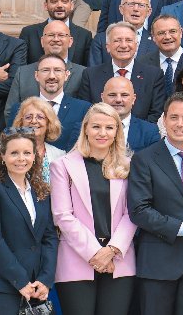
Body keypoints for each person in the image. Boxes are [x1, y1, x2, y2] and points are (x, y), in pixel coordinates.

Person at [127, 93, 183, 315]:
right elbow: (139, 210)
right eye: (174, 117)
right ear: (164, 120)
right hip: (158, 264)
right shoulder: (144, 159)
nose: (180, 124)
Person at [50, 103, 139, 315]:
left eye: (109, 127)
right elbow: (62, 216)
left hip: (119, 260)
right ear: (86, 129)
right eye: (96, 126)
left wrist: (111, 251)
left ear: (117, 131)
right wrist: (96, 253)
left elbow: (133, 212)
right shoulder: (62, 165)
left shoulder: (129, 166)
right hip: (75, 260)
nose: (102, 133)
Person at [0, 130, 58, 314]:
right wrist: (20, 280)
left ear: (34, 156)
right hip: (1, 287)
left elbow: (49, 237)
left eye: (27, 153)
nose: (21, 158)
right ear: (2, 156)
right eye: (14, 153)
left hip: (36, 289)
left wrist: (45, 279)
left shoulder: (41, 191)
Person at [23, 0, 96, 63]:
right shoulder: (29, 33)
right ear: (46, 6)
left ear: (71, 5)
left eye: (64, 1)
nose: (59, 5)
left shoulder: (84, 35)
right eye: (54, 2)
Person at [12, 97, 69, 179]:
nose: (34, 121)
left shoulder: (60, 155)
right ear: (21, 123)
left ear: (49, 123)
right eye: (28, 117)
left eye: (40, 117)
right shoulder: (8, 151)